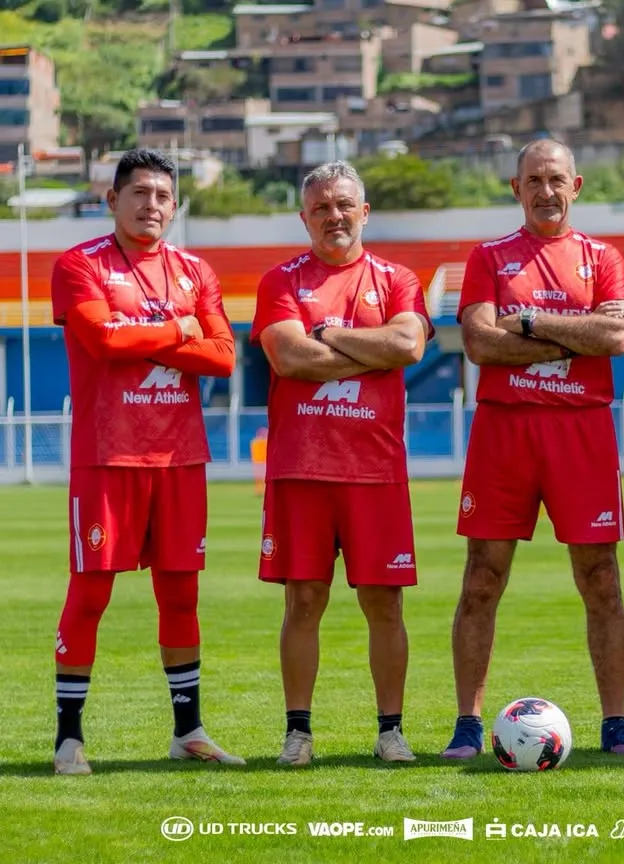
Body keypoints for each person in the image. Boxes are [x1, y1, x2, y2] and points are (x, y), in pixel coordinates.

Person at [441, 139, 624, 759]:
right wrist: (569, 341)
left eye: (556, 179)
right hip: (505, 432)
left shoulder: (602, 257)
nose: (546, 190)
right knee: (482, 578)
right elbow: (479, 342)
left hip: (580, 431)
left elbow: (614, 335)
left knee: (601, 579)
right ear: (516, 187)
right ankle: (467, 726)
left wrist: (528, 323)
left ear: (576, 186)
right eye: (534, 179)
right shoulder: (489, 258)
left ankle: (616, 724)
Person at [49, 148, 241, 774]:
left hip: (180, 457)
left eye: (162, 195)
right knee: (90, 593)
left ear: (175, 205)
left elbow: (224, 357)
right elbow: (104, 341)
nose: (151, 205)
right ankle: (69, 739)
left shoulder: (194, 270)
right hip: (107, 456)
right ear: (113, 200)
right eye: (139, 193)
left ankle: (188, 731)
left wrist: (160, 335)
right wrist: (181, 330)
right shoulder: (79, 265)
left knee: (181, 596)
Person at [252, 161, 432, 766]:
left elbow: (408, 344)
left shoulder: (398, 278)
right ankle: (298, 732)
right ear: (304, 216)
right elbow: (291, 358)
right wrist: (369, 350)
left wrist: (328, 335)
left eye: (344, 204)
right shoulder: (279, 281)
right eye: (322, 207)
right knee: (303, 601)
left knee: (385, 603)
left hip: (376, 470)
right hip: (302, 468)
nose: (335, 216)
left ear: (365, 211)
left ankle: (391, 731)